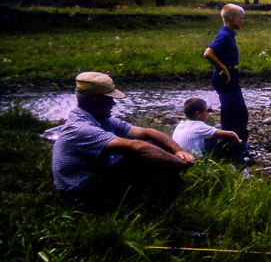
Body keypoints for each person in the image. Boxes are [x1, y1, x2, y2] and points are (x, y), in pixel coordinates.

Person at [52, 72, 194, 213]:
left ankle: (176, 197)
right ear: (95, 100)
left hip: (95, 182)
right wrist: (177, 163)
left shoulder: (101, 119)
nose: (113, 103)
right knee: (143, 158)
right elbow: (138, 147)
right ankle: (163, 210)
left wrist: (178, 151)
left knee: (154, 149)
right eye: (109, 99)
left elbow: (148, 132)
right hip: (80, 198)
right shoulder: (80, 128)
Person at [203, 3, 251, 158]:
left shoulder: (229, 34)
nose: (243, 21)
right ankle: (231, 148)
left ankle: (241, 147)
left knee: (240, 112)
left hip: (231, 75)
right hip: (225, 77)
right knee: (231, 113)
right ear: (231, 18)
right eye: (241, 18)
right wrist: (223, 67)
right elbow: (208, 53)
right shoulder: (224, 35)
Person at [172, 98, 242, 160]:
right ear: (198, 113)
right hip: (195, 160)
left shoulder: (181, 124)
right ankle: (242, 167)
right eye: (206, 111)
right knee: (231, 143)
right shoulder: (199, 126)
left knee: (210, 140)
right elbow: (231, 134)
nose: (207, 114)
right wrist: (239, 140)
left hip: (180, 158)